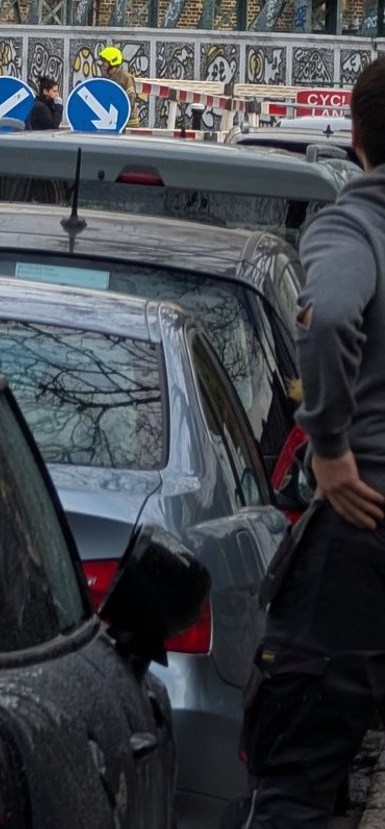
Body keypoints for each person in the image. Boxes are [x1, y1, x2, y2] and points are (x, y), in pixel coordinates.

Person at [238, 52, 385, 826]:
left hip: (364, 528)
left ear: (357, 135)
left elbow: (326, 316)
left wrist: (328, 444)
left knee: (297, 768)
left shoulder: (356, 225)